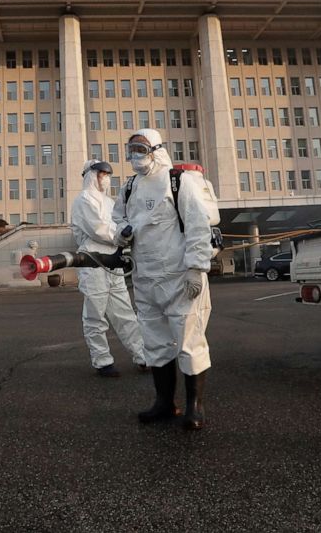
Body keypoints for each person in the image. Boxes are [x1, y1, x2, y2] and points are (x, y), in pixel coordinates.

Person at [112, 128, 214, 430]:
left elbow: (197, 225)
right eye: (131, 149)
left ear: (157, 149)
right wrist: (122, 231)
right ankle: (164, 402)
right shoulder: (130, 187)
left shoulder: (178, 181)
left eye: (141, 149)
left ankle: (196, 406)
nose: (135, 156)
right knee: (156, 343)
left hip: (180, 278)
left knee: (189, 343)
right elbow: (117, 220)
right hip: (146, 279)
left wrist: (196, 268)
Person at [71, 159, 147, 378]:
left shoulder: (109, 201)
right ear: (90, 175)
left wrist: (127, 233)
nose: (105, 177)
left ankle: (142, 355)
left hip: (113, 262)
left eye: (107, 174)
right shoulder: (83, 200)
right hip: (92, 263)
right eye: (102, 173)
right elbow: (98, 230)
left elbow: (119, 224)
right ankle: (102, 361)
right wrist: (120, 236)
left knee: (125, 313)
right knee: (95, 316)